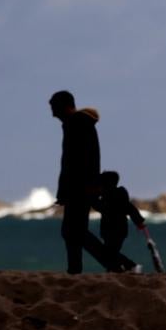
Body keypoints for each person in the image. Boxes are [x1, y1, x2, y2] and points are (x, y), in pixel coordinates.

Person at [49, 89, 118, 274]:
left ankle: (119, 265)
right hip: (80, 188)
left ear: (64, 107)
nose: (52, 113)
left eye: (54, 107)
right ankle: (76, 270)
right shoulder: (78, 123)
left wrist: (83, 188)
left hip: (80, 189)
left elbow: (76, 162)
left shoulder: (76, 124)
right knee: (73, 232)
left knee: (75, 232)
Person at [95, 170, 147, 273]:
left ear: (106, 184)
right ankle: (116, 268)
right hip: (117, 230)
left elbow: (101, 207)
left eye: (101, 183)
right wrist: (139, 222)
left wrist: (92, 199)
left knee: (110, 252)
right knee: (111, 252)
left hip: (114, 230)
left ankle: (132, 266)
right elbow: (131, 209)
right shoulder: (118, 195)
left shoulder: (109, 196)